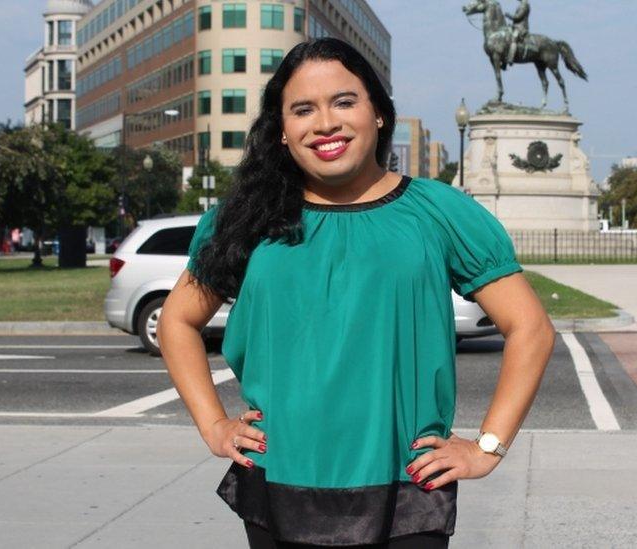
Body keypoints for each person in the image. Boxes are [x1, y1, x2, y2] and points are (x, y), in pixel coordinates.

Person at [157, 38, 555, 548]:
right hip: (280, 482)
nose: (325, 123)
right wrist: (213, 424)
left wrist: (487, 447)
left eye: (344, 102)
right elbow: (177, 321)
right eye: (303, 109)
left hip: (408, 490)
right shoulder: (245, 218)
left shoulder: (439, 211)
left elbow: (531, 329)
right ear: (281, 132)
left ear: (379, 114)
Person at [505, 0, 531, 69]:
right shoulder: (522, 5)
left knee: (514, 38)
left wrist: (509, 15)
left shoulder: (524, 5)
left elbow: (518, 17)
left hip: (521, 28)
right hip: (516, 27)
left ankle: (511, 58)